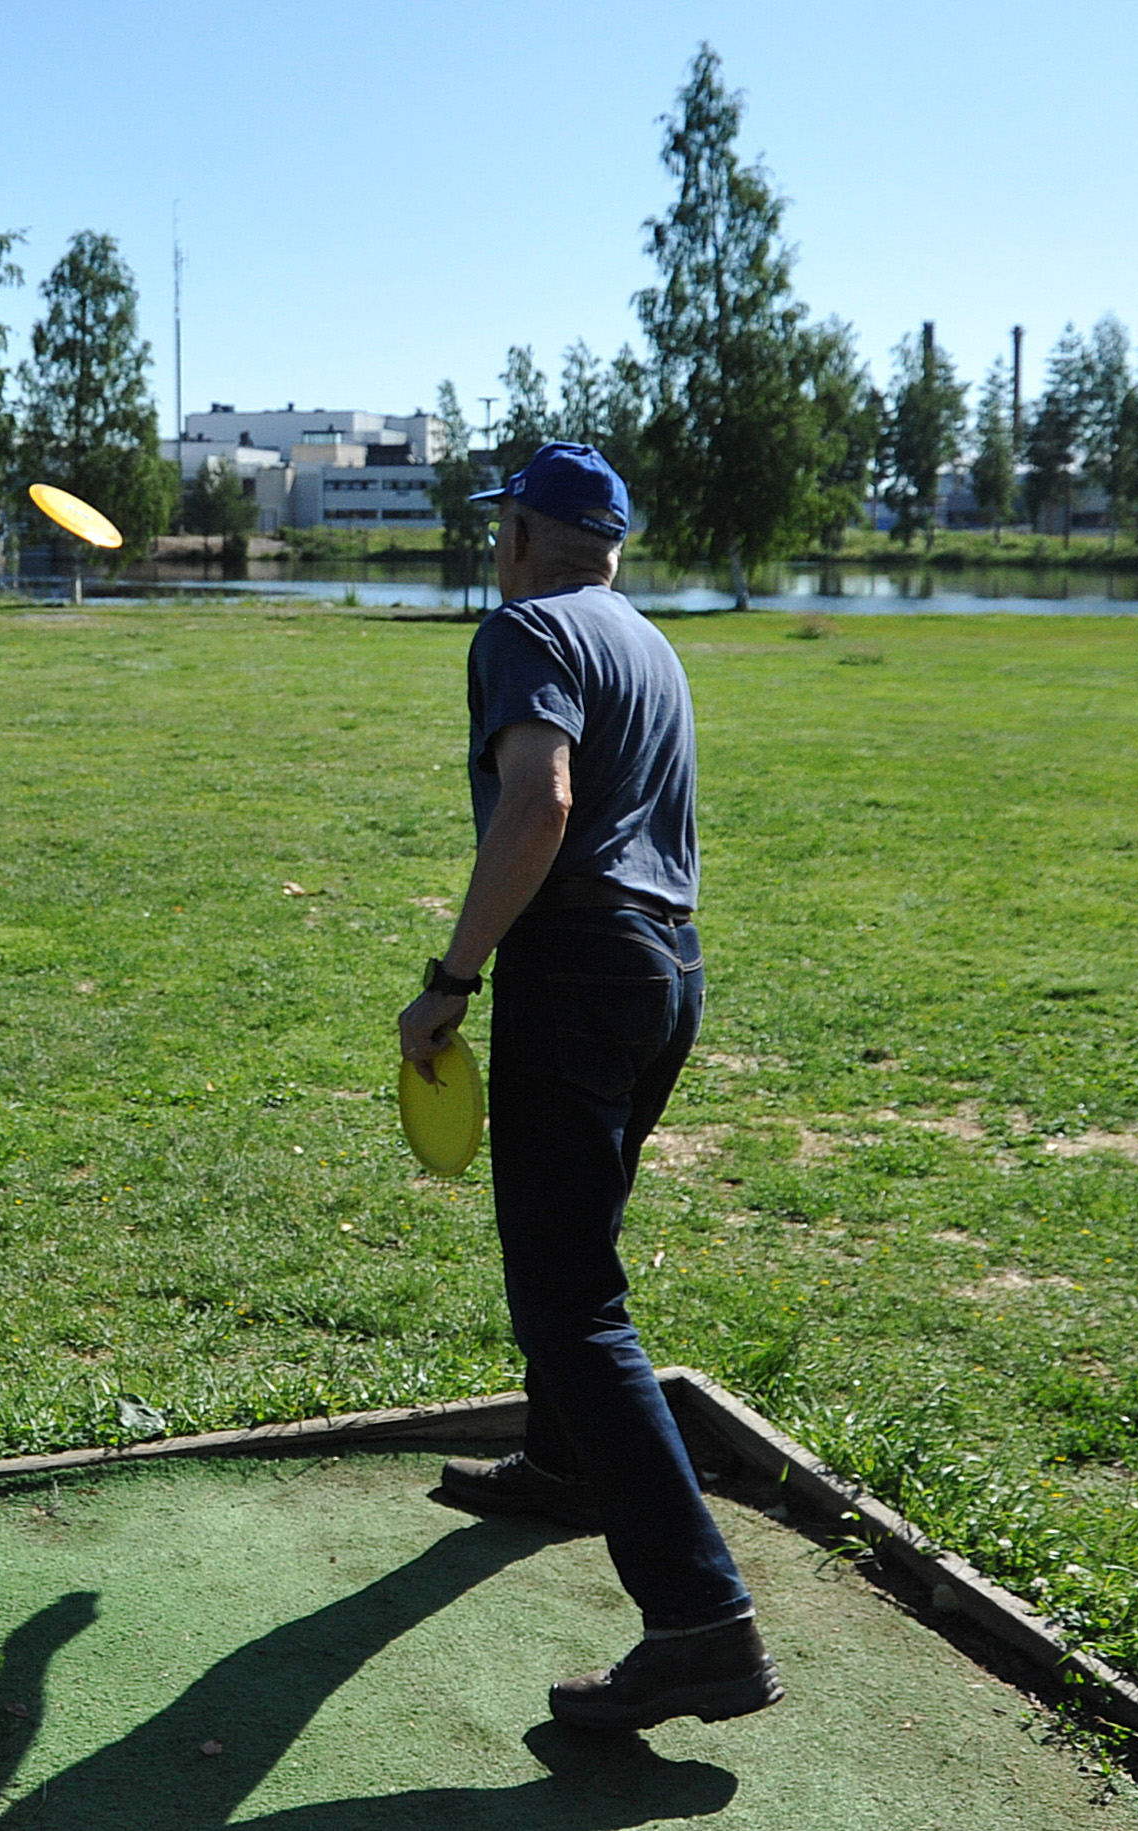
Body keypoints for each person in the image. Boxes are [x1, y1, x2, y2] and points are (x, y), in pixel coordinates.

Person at [395, 442, 777, 1732]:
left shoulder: (521, 628)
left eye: (497, 523)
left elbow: (539, 801)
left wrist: (450, 975)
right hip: (665, 970)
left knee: (568, 1297)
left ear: (518, 535)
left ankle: (699, 1622)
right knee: (579, 1246)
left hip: (573, 970)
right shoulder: (649, 643)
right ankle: (563, 1464)